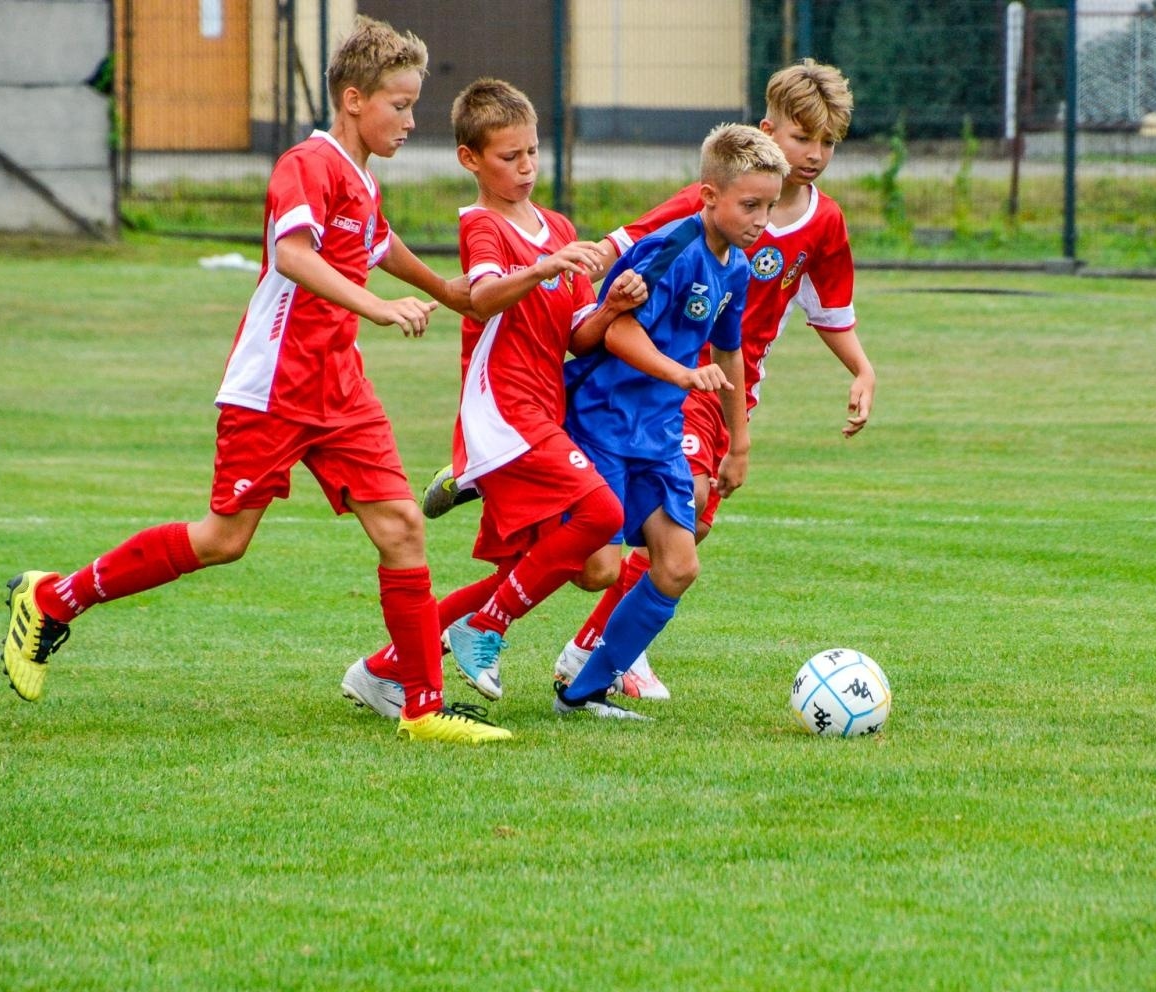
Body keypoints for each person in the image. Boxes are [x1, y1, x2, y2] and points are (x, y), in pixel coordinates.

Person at [0, 17, 508, 744]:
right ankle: (54, 597)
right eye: (399, 105)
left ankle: (423, 708)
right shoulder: (310, 162)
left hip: (339, 385)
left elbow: (377, 240)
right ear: (354, 99)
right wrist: (378, 306)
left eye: (413, 105)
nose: (410, 120)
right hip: (274, 385)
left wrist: (446, 290)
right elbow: (295, 255)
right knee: (223, 540)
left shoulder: (359, 180)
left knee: (400, 529)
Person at [423, 60, 877, 702]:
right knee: (633, 541)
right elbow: (620, 249)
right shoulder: (697, 216)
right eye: (803, 138)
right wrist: (587, 283)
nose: (816, 154)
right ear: (767, 131)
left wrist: (860, 368)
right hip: (652, 398)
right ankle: (506, 517)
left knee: (670, 544)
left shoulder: (807, 226)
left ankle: (588, 656)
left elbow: (817, 314)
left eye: (828, 142)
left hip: (715, 393)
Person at [339, 77, 643, 717]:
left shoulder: (556, 226)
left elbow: (580, 339)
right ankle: (485, 628)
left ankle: (384, 669)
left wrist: (611, 305)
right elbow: (479, 296)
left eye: (532, 152)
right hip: (503, 412)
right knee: (602, 514)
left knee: (587, 567)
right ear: (470, 160)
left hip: (542, 410)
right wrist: (541, 268)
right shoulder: (482, 225)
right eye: (510, 157)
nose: (526, 168)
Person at [553, 123, 788, 718]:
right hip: (604, 418)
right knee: (597, 569)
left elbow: (729, 351)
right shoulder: (670, 249)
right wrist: (680, 374)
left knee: (679, 565)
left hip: (656, 436)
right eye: (750, 205)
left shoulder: (736, 265)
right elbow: (619, 327)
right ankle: (504, 486)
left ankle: (584, 692)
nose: (762, 219)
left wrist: (740, 440)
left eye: (770, 206)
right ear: (709, 196)